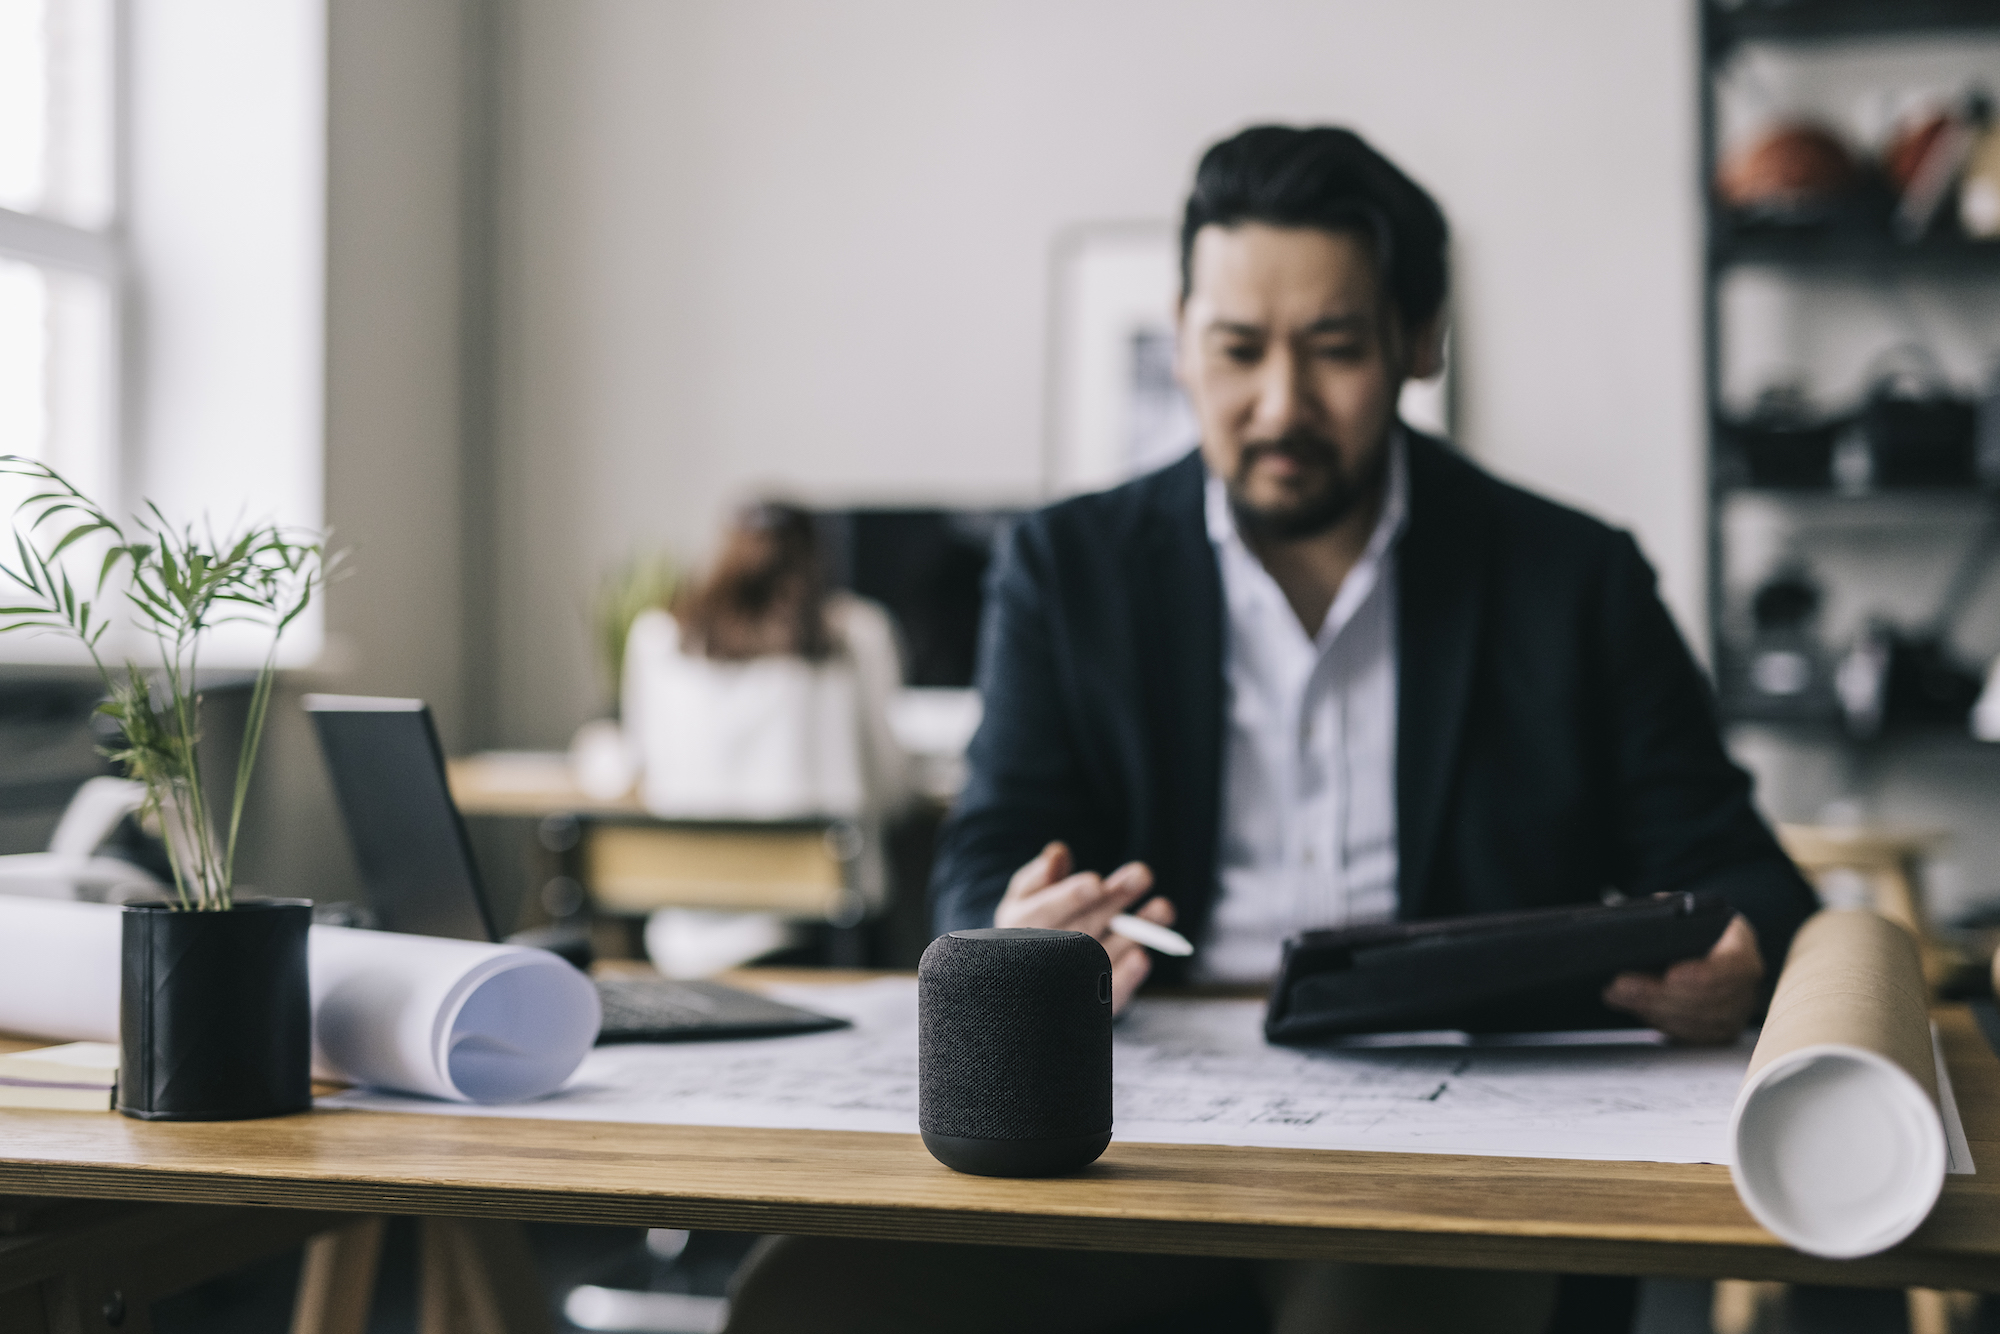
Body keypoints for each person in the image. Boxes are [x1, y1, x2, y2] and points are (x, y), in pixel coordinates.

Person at [723, 126, 1819, 1334]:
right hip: (1132, 1126)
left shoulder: (1572, 577)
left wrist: (1733, 959)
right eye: (1237, 349)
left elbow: (1742, 874)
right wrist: (1016, 929)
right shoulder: (1064, 568)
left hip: (1451, 1141)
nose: (1279, 402)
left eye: (1335, 348)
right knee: (809, 1295)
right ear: (1183, 336)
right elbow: (986, 853)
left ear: (1418, 339)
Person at [622, 501, 909, 973]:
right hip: (825, 938)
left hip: (683, 939)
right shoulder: (858, 634)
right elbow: (894, 792)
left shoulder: (656, 638)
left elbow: (643, 764)